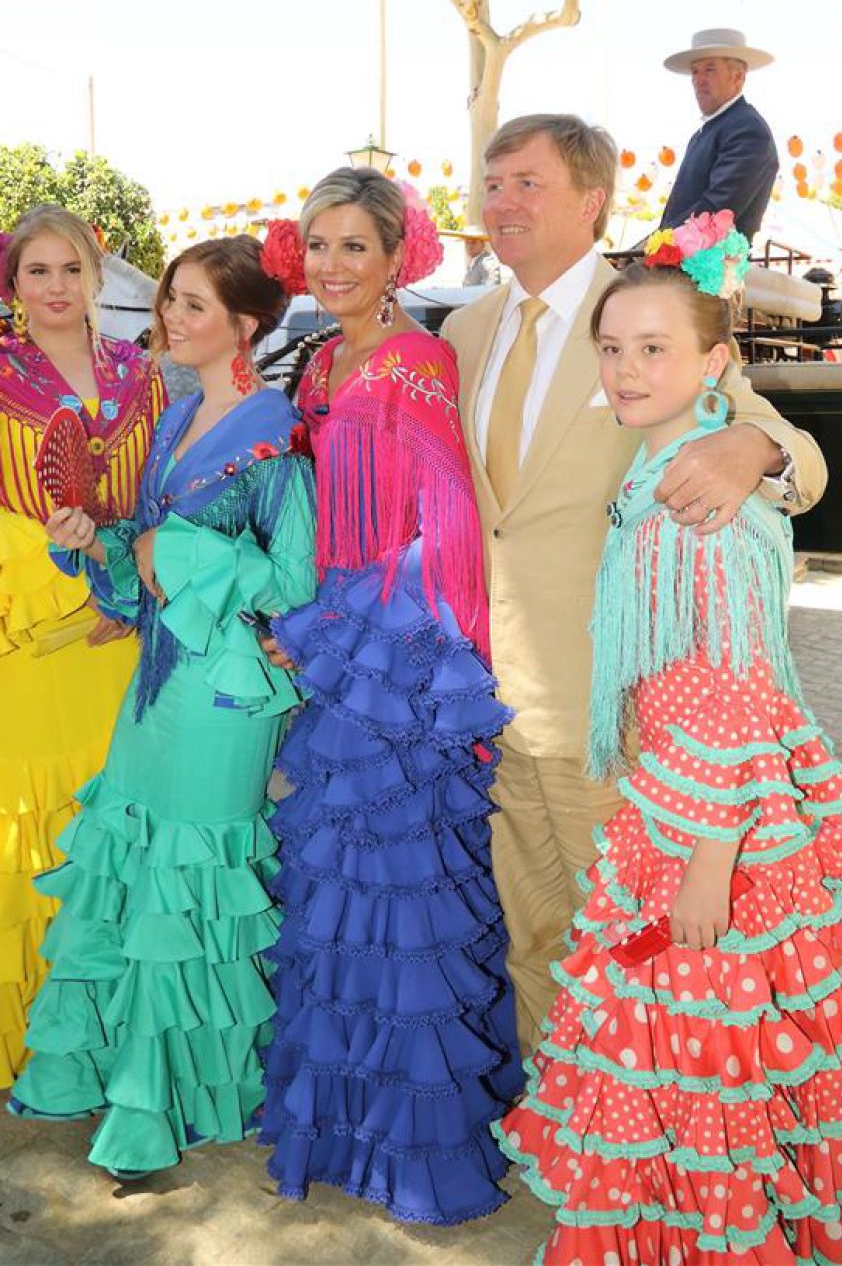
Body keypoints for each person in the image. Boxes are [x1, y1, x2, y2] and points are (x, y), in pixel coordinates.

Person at [493, 215, 842, 1266]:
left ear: (715, 362)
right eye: (611, 348)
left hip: (710, 837)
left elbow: (742, 693)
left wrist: (710, 860)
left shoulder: (701, 501)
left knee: (700, 1066)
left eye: (652, 348)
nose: (624, 369)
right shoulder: (659, 471)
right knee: (682, 1068)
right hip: (670, 806)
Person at [441, 114, 828, 1056]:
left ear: (590, 200)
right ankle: (562, 1135)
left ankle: (638, 1153)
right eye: (493, 184)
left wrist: (752, 445)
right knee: (530, 937)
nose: (502, 204)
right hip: (490, 705)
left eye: (527, 184)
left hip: (613, 724)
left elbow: (803, 463)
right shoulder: (463, 326)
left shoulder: (647, 312)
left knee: (635, 953)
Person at [6, 238, 317, 1178]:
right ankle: (115, 1074)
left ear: (245, 325)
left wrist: (178, 555)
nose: (169, 321)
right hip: (158, 678)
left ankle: (172, 1097)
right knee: (137, 864)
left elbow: (299, 582)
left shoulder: (279, 432)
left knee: (195, 876)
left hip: (227, 691)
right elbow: (143, 561)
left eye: (190, 306)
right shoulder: (178, 415)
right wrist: (96, 541)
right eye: (169, 303)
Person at [257, 170, 523, 1225]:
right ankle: (347, 1122)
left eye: (353, 247)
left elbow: (446, 519)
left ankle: (421, 1148)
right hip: (331, 651)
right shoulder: (322, 359)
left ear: (396, 255)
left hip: (395, 661)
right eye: (317, 246)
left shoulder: (416, 361)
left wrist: (381, 639)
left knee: (406, 899)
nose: (330, 266)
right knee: (337, 891)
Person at [0, 205, 163, 1089]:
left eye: (71, 269)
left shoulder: (138, 372)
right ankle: (35, 1042)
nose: (56, 287)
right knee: (32, 821)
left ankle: (116, 1032)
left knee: (116, 812)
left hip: (118, 634)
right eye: (37, 272)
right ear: (10, 287)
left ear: (96, 276)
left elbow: (155, 498)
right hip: (30, 632)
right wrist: (73, 587)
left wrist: (127, 593)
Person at [659, 27, 779, 241]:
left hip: (714, 269)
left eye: (710, 69)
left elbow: (715, 210)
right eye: (695, 72)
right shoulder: (706, 133)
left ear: (738, 77)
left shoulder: (747, 129)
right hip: (684, 264)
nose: (699, 80)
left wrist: (649, 249)